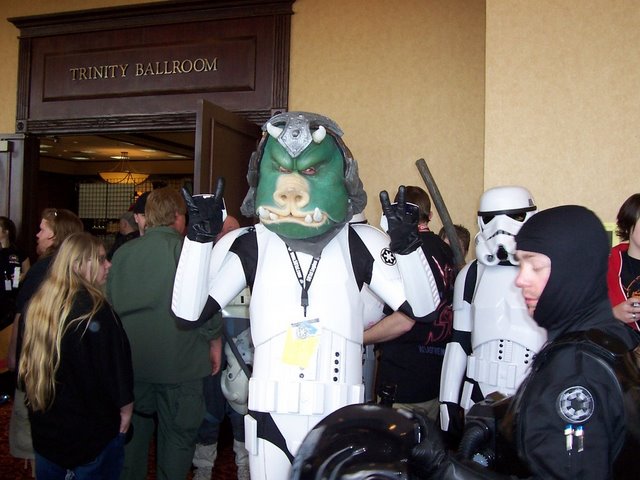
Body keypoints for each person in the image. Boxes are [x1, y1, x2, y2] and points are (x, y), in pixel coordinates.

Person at [172, 111, 441, 479]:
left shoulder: (360, 242)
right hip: (271, 413)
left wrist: (408, 248)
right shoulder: (251, 244)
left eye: (311, 170)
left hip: (338, 414)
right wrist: (198, 240)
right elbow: (189, 313)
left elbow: (423, 311)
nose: (292, 187)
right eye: (282, 170)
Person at [411, 205, 640, 479]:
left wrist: (448, 471)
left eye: (535, 266)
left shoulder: (577, 371)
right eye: (521, 264)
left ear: (573, 268)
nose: (520, 279)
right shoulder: (608, 339)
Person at [107, 187, 223, 480]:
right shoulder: (189, 253)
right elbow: (206, 306)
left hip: (132, 364)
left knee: (132, 437)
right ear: (178, 217)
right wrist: (215, 342)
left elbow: (109, 307)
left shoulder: (122, 254)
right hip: (182, 362)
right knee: (178, 439)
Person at [18, 232, 133, 480]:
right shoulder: (96, 311)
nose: (108, 264)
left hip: (47, 432)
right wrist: (126, 410)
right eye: (100, 259)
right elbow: (116, 372)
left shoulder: (38, 305)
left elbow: (23, 367)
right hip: (92, 435)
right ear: (78, 265)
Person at [439, 186, 546, 439]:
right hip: (478, 394)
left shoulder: (544, 272)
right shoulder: (471, 275)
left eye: (514, 216)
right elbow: (459, 342)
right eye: (490, 218)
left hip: (532, 394)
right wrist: (447, 401)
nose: (501, 227)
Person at [364, 186, 455, 421]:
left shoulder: (406, 253)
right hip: (435, 376)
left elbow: (405, 320)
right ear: (430, 216)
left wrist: (357, 338)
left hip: (403, 379)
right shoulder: (447, 250)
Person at [7, 208, 83, 471]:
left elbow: (23, 317)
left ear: (55, 235)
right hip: (59, 365)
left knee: (35, 444)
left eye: (42, 229)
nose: (37, 235)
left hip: (37, 363)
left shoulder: (43, 269)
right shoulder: (70, 268)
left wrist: (14, 354)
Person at [192, 215, 251, 480]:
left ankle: (244, 464)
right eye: (225, 230)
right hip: (212, 344)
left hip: (244, 342)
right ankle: (203, 466)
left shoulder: (252, 261)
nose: (229, 235)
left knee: (241, 403)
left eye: (233, 230)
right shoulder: (206, 265)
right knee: (209, 408)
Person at [607, 193, 640, 333]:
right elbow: (580, 317)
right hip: (620, 343)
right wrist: (614, 315)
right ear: (627, 226)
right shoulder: (605, 266)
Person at [0, 216, 30, 330]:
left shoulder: (19, 252)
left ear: (6, 232)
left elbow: (28, 272)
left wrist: (22, 276)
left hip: (13, 299)